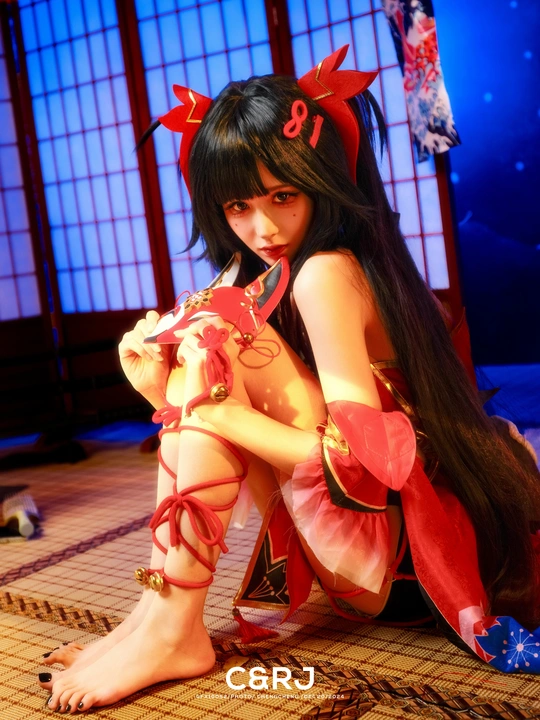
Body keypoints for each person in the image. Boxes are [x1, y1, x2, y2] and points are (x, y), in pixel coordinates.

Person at [39, 46, 540, 712]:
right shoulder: (275, 278)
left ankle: (170, 629)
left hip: (401, 565)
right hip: (361, 555)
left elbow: (362, 468)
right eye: (238, 206)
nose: (263, 227)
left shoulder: (325, 272)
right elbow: (227, 445)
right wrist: (163, 392)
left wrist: (219, 410)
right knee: (210, 332)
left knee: (216, 335)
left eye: (284, 196)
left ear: (323, 184)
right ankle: (155, 619)